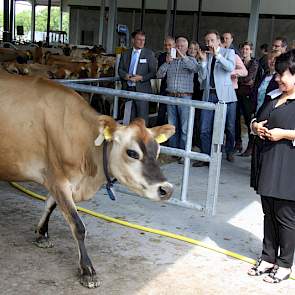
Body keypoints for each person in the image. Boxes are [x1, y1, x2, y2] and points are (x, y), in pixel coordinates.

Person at [248, 49, 295, 283]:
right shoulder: (273, 96)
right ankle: (268, 257)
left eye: (282, 74)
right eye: (277, 74)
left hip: (289, 166)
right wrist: (255, 126)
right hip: (268, 162)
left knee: (285, 216)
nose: (277, 79)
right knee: (268, 213)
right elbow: (255, 118)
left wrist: (284, 134)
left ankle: (285, 263)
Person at [193, 30, 237, 167]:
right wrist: (203, 62)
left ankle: (229, 150)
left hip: (225, 96)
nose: (209, 43)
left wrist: (217, 55)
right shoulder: (207, 56)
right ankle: (207, 157)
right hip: (209, 95)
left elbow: (230, 67)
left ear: (219, 41)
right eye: (207, 41)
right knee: (204, 128)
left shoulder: (228, 53)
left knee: (229, 127)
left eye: (212, 40)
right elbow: (203, 78)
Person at [157, 36, 198, 163]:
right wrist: (167, 62)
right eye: (177, 46)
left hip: (185, 96)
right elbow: (159, 75)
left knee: (185, 127)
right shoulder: (170, 60)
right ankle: (174, 152)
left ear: (186, 48)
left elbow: (195, 69)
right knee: (172, 126)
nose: (179, 48)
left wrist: (183, 56)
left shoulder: (190, 60)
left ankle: (184, 154)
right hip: (171, 96)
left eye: (182, 46)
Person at [118, 30, 157, 124]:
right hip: (128, 89)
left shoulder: (149, 54)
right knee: (128, 117)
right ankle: (130, 138)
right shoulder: (125, 53)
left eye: (143, 40)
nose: (142, 42)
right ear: (133, 40)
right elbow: (120, 70)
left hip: (142, 90)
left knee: (142, 119)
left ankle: (142, 138)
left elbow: (153, 72)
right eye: (139, 39)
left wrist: (141, 78)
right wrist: (126, 76)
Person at [234, 41, 259, 156]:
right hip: (236, 94)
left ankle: (250, 145)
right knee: (235, 120)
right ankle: (237, 143)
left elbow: (248, 78)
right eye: (243, 49)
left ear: (251, 51)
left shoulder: (254, 63)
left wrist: (236, 76)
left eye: (247, 49)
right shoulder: (237, 61)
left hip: (248, 96)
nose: (244, 51)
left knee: (249, 121)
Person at [252, 50, 281, 114]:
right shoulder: (264, 75)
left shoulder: (280, 79)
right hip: (258, 111)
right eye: (270, 58)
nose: (272, 61)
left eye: (275, 58)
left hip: (270, 114)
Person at [156, 36, 175, 126]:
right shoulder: (162, 56)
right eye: (165, 45)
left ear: (174, 45)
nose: (167, 47)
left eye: (170, 45)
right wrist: (166, 62)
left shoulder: (180, 55)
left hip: (176, 89)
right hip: (164, 87)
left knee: (173, 114)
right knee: (161, 112)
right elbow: (159, 73)